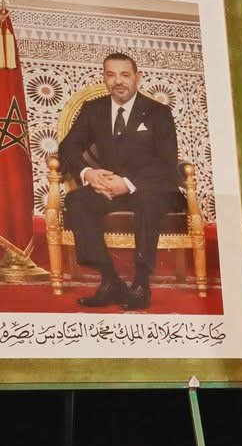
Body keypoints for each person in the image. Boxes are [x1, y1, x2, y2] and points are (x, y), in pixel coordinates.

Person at [59, 53, 183, 309]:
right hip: (110, 187)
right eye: (111, 74)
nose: (118, 81)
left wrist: (127, 183)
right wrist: (88, 173)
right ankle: (110, 279)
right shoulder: (93, 109)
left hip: (151, 187)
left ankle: (141, 283)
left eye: (125, 75)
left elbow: (166, 162)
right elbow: (68, 147)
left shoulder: (159, 112)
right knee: (77, 199)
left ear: (138, 77)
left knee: (148, 198)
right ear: (104, 78)